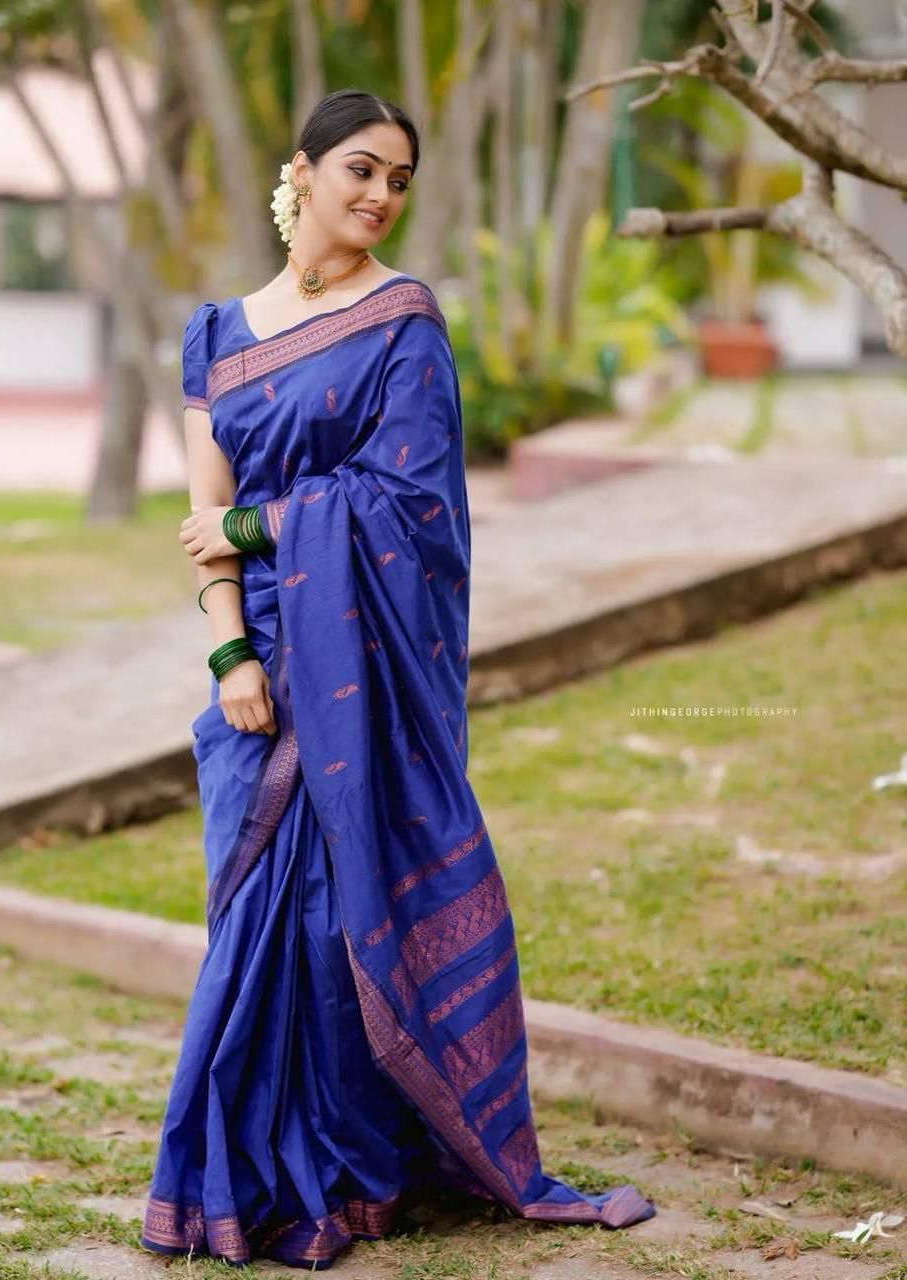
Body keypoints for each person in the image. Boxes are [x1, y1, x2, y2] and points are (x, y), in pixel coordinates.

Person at [139, 88, 655, 1271]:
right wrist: (231, 655)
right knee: (257, 928)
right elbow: (197, 522)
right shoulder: (216, 331)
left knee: (335, 922)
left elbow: (415, 509)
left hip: (360, 662)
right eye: (360, 170)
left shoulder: (404, 322)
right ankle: (255, 1164)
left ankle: (362, 1164)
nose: (379, 196)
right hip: (259, 673)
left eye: (399, 181)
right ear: (301, 172)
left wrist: (264, 528)